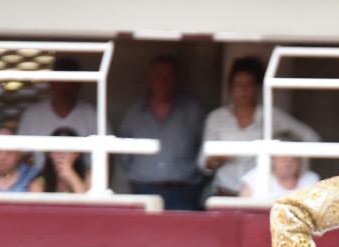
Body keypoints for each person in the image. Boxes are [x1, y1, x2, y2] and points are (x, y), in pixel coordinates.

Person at [200, 56, 317, 198]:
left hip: (258, 194)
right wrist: (219, 158)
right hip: (224, 192)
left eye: (249, 84)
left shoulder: (272, 115)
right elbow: (203, 163)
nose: (244, 90)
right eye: (238, 85)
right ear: (231, 87)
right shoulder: (216, 118)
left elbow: (311, 137)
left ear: (258, 87)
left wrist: (289, 162)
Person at [120, 55, 209, 211]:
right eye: (159, 75)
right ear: (151, 78)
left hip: (184, 195)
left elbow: (206, 156)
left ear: (178, 79)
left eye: (170, 75)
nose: (164, 80)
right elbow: (124, 157)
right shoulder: (135, 113)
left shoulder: (194, 111)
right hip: (143, 192)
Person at [17, 56, 102, 170]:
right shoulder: (33, 114)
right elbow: (22, 156)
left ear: (79, 84)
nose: (66, 86)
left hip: (81, 180)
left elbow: (107, 156)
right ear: (51, 83)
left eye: (71, 81)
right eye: (61, 80)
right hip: (43, 179)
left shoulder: (92, 114)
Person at [237, 131, 319, 197]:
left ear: (301, 159)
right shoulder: (255, 178)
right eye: (283, 153)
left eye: (293, 154)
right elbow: (244, 209)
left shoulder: (311, 180)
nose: (288, 159)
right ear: (272, 158)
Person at [39, 126, 91, 193]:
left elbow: (87, 200)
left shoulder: (89, 177)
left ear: (77, 154)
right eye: (56, 149)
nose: (61, 154)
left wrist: (72, 177)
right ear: (49, 154)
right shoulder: (39, 183)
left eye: (66, 150)